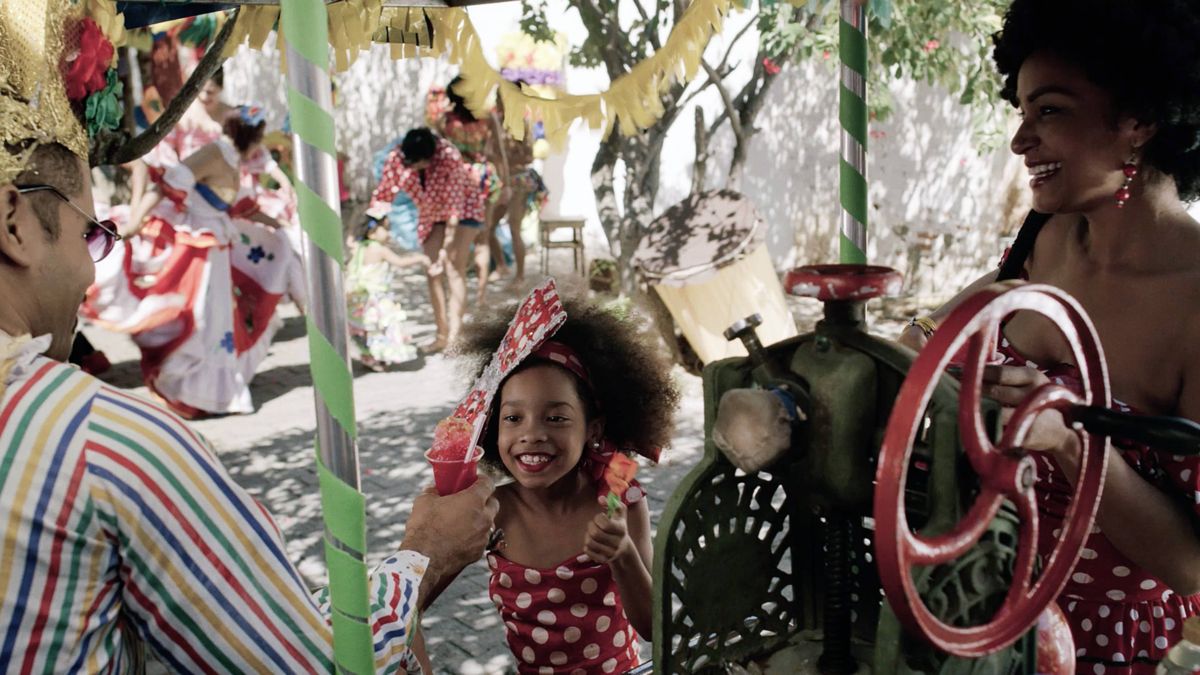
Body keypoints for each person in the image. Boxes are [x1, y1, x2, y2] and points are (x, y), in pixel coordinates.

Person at [0, 16, 499, 667]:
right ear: (13, 223)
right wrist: (424, 553)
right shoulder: (104, 443)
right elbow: (311, 663)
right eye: (88, 235)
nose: (93, 271)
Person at [897, 1, 1200, 672]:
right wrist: (908, 347)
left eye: (1051, 111)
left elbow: (1189, 563)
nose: (1020, 141)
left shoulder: (1194, 304)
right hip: (981, 613)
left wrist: (1067, 440)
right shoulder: (1047, 238)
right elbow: (942, 327)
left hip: (1106, 647)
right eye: (1023, 111)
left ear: (1140, 121)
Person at [452, 294, 681, 674]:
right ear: (492, 428)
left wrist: (623, 553)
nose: (531, 434)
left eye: (556, 418)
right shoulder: (491, 510)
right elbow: (420, 584)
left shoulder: (620, 501)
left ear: (593, 429)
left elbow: (656, 628)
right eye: (513, 418)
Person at [84, 107, 294, 419]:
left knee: (217, 324)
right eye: (259, 136)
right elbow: (165, 185)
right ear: (250, 136)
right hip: (197, 253)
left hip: (215, 253)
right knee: (198, 322)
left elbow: (241, 208)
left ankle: (209, 394)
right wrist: (135, 222)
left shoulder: (232, 157)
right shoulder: (215, 152)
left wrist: (282, 229)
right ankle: (186, 390)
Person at [370, 128, 484, 354]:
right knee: (432, 270)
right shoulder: (397, 157)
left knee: (453, 268)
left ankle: (455, 337)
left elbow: (454, 210)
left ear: (430, 156)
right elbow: (383, 195)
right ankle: (441, 335)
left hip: (463, 211)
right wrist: (367, 228)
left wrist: (446, 247)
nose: (414, 167)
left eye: (419, 163)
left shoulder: (449, 156)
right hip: (432, 214)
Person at [426, 77, 509, 304]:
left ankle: (456, 286)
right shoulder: (488, 118)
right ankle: (481, 297)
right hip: (483, 178)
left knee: (454, 237)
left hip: (454, 179)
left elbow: (438, 153)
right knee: (483, 238)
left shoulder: (445, 120)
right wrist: (507, 184)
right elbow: (499, 152)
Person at [346, 207, 430, 371]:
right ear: (372, 233)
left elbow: (351, 268)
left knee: (367, 328)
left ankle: (370, 355)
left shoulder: (360, 248)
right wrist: (420, 258)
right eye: (386, 229)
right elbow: (400, 262)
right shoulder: (380, 250)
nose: (389, 233)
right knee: (384, 327)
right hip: (376, 298)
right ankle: (380, 355)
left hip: (360, 298)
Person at [490, 80, 549, 288]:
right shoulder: (494, 122)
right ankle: (501, 266)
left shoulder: (521, 125)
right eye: (497, 98)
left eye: (500, 98)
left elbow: (528, 157)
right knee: (487, 228)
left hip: (518, 182)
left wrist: (504, 160)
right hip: (499, 182)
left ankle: (520, 276)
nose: (497, 102)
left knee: (514, 227)